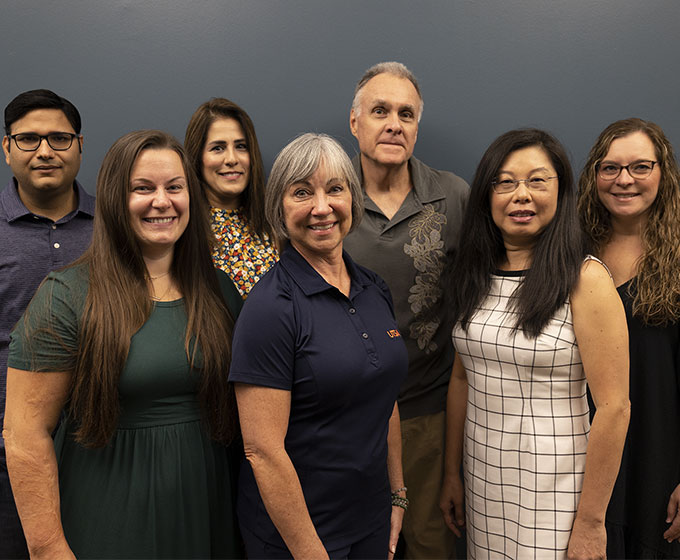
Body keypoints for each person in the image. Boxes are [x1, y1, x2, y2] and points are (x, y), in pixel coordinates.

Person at [3, 130, 242, 559]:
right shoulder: (66, 295)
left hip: (205, 510)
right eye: (142, 188)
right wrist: (48, 549)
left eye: (175, 187)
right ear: (115, 198)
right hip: (107, 515)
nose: (162, 201)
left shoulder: (220, 291)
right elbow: (24, 435)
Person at [439, 128, 630, 559]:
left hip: (557, 487)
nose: (520, 195)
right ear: (487, 196)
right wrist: (453, 473)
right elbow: (462, 377)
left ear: (561, 191)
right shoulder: (475, 274)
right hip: (484, 478)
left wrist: (591, 522)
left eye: (537, 181)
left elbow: (615, 408)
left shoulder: (586, 279)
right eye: (505, 182)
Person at [229, 133, 408, 559]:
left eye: (335, 189)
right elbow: (262, 451)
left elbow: (385, 398)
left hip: (370, 521)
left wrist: (397, 493)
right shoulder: (270, 307)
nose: (322, 207)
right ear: (280, 207)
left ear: (353, 199)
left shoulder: (372, 288)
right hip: (298, 537)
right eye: (302, 192)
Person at [343, 61, 469, 559]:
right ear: (355, 122)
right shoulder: (325, 196)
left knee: (427, 546)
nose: (394, 123)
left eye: (406, 114)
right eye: (380, 111)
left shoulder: (454, 197)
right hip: (343, 417)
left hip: (425, 415)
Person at [578, 118, 680, 558]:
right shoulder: (571, 250)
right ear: (594, 176)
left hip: (660, 455)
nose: (624, 180)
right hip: (583, 454)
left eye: (640, 167)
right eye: (610, 168)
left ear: (663, 173)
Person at [0, 88, 95, 559]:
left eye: (59, 138)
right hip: (7, 454)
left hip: (99, 448)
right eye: (29, 139)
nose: (44, 151)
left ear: (80, 145)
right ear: (6, 147)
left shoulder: (116, 225)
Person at [185, 97, 278, 298]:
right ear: (197, 157)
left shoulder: (274, 223)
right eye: (218, 148)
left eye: (241, 146)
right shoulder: (182, 227)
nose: (232, 159)